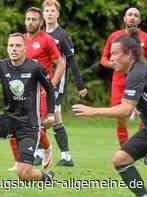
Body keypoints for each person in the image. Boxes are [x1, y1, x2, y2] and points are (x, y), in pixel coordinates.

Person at [0, 32, 55, 182]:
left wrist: (50, 114)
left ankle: (45, 177)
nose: (14, 49)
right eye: (11, 45)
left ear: (25, 49)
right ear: (7, 48)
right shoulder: (2, 66)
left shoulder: (35, 68)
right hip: (9, 119)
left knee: (23, 174)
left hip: (29, 126)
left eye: (18, 45)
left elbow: (50, 89)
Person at [73, 36, 147, 197]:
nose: (111, 58)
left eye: (115, 53)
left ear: (129, 55)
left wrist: (93, 111)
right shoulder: (138, 71)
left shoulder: (137, 73)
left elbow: (126, 110)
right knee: (121, 159)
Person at [8, 6, 66, 171]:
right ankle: (18, 162)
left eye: (34, 19)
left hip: (40, 89)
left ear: (40, 22)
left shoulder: (47, 40)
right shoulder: (21, 40)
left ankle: (47, 149)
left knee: (35, 125)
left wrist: (52, 83)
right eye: (28, 19)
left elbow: (60, 63)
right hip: (22, 89)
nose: (30, 22)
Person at [42, 0, 88, 166]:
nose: (49, 13)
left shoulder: (63, 36)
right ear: (43, 14)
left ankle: (41, 153)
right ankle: (66, 157)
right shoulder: (40, 34)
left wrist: (80, 85)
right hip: (42, 81)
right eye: (46, 10)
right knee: (54, 118)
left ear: (58, 14)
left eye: (52, 10)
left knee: (47, 114)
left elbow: (72, 61)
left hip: (57, 82)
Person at [100, 7, 147, 147]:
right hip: (119, 82)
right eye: (129, 14)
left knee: (145, 114)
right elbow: (103, 59)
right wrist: (113, 64)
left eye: (136, 15)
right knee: (120, 115)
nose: (132, 17)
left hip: (140, 83)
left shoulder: (146, 39)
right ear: (124, 18)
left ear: (139, 20)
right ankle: (124, 146)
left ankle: (143, 147)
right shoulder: (114, 37)